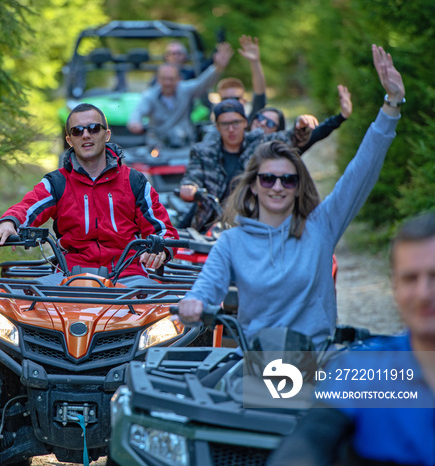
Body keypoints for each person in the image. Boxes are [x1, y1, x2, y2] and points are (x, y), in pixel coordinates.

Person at [177, 44, 404, 346]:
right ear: (254, 184)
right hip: (256, 360)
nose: (278, 186)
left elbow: (361, 171)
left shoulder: (321, 226)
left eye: (288, 179)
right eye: (268, 178)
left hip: (315, 355)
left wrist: (392, 105)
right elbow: (206, 289)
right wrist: (193, 303)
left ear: (299, 186)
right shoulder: (232, 241)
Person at [268, 212, 435, 466]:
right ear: (395, 287)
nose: (423, 294)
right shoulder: (361, 369)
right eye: (410, 279)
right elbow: (310, 440)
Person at [0, 103, 178, 285]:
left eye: (94, 128)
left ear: (107, 134)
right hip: (69, 275)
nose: (86, 135)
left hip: (128, 275)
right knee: (29, 308)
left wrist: (161, 248)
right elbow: (28, 206)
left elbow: (164, 231)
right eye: (77, 131)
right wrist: (10, 222)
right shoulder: (57, 182)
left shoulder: (135, 181)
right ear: (69, 140)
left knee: (157, 312)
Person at [178, 98, 316, 231]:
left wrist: (301, 126)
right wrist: (190, 188)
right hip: (207, 225)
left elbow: (293, 138)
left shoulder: (260, 143)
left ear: (245, 122)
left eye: (236, 122)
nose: (231, 129)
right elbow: (192, 177)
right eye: (225, 124)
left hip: (249, 223)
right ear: (217, 127)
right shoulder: (203, 151)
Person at [126, 42, 233, 149]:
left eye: (171, 79)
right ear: (158, 79)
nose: (167, 83)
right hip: (158, 146)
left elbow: (203, 83)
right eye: (164, 79)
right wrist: (135, 123)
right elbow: (138, 111)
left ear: (178, 79)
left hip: (184, 144)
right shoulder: (150, 95)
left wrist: (217, 68)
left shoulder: (185, 90)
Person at [249, 84, 353, 154]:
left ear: (278, 131)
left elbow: (316, 134)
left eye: (270, 123)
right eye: (260, 117)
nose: (262, 123)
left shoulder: (284, 150)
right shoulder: (237, 139)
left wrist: (342, 116)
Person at [213, 35, 267, 118]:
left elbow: (259, 95)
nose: (230, 104)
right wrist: (218, 67)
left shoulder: (249, 122)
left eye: (235, 99)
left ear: (244, 101)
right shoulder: (214, 128)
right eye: (225, 99)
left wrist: (255, 62)